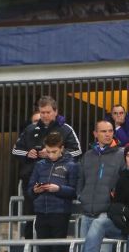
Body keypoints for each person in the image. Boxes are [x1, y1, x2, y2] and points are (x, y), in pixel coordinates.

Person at [64, 120, 125, 252]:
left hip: (106, 212)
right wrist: (80, 195)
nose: (108, 134)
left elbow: (124, 181)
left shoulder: (121, 155)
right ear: (95, 133)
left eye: (110, 131)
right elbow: (80, 180)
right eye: (104, 131)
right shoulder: (87, 156)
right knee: (86, 251)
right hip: (87, 211)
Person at [12, 96, 82, 239]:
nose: (45, 115)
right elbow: (15, 150)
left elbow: (78, 151)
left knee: (57, 226)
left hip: (59, 181)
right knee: (30, 220)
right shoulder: (30, 129)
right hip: (33, 181)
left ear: (56, 111)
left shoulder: (65, 129)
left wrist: (54, 153)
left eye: (48, 112)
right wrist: (28, 153)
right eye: (42, 112)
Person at [27, 132, 79, 252]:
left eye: (54, 151)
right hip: (41, 212)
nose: (51, 155)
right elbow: (29, 190)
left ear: (62, 148)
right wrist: (35, 190)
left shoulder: (72, 165)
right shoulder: (40, 165)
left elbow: (75, 191)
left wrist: (59, 189)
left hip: (60, 213)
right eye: (48, 151)